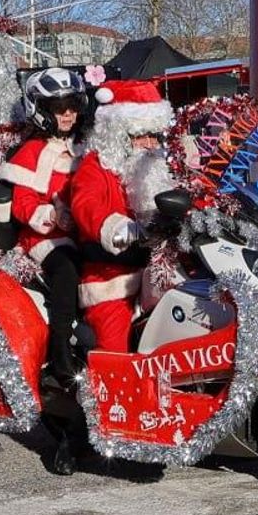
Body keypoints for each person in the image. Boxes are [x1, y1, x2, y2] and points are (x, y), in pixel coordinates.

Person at [68, 79, 176, 353]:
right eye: (140, 136)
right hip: (112, 277)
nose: (150, 145)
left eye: (155, 135)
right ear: (118, 136)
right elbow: (86, 204)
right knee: (114, 346)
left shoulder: (162, 168)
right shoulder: (96, 167)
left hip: (161, 269)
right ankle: (104, 394)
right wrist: (115, 226)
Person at [1, 68, 89, 391]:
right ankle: (61, 352)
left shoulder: (84, 147)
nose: (67, 113)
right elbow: (22, 202)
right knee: (66, 271)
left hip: (85, 233)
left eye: (72, 104)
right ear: (41, 110)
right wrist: (50, 214)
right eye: (59, 106)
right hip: (46, 239)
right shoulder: (31, 152)